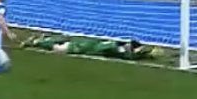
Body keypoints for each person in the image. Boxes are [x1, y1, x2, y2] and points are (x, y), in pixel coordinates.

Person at [22, 35, 163, 60]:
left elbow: (127, 54)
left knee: (60, 46)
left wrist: (146, 54)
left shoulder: (115, 46)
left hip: (86, 45)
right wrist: (146, 54)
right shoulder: (114, 47)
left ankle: (38, 41)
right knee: (60, 48)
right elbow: (127, 55)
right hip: (84, 46)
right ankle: (36, 42)